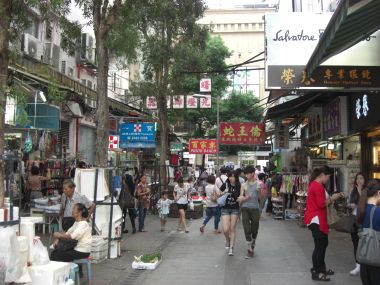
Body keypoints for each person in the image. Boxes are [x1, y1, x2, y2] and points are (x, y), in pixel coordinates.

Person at [304, 166, 343, 281]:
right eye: (328, 177)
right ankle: (317, 272)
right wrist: (333, 198)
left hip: (315, 219)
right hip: (316, 220)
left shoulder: (315, 185)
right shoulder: (317, 186)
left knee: (320, 246)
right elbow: (321, 204)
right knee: (320, 246)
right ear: (322, 175)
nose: (328, 179)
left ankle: (320, 269)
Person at [357, 180, 380, 285]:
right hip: (376, 259)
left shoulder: (360, 209)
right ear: (378, 193)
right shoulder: (377, 211)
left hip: (365, 257)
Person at [238, 166, 261, 258]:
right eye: (245, 174)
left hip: (255, 208)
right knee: (247, 228)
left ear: (252, 173)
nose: (246, 175)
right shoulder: (243, 185)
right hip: (245, 208)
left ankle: (253, 240)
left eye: (247, 173)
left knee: (255, 229)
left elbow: (261, 198)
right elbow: (240, 199)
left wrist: (259, 192)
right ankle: (249, 248)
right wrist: (247, 197)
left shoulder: (258, 184)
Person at [348, 172, 366, 276]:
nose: (359, 181)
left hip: (363, 220)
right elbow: (350, 202)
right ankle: (358, 265)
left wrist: (360, 191)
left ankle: (364, 264)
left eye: (361, 178)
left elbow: (365, 205)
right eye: (357, 179)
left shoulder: (367, 191)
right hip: (354, 219)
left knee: (364, 243)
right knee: (355, 243)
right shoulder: (353, 191)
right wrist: (350, 205)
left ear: (365, 180)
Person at [220, 170, 242, 256]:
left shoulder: (239, 186)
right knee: (225, 229)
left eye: (233, 176)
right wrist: (224, 192)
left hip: (235, 209)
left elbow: (241, 197)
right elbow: (218, 194)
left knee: (232, 229)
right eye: (230, 176)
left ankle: (231, 248)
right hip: (225, 208)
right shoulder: (225, 185)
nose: (231, 178)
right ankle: (228, 240)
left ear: (236, 177)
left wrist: (240, 198)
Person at [121, 167, 137, 234]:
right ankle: (133, 228)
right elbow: (133, 191)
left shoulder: (124, 185)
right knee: (131, 215)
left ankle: (123, 228)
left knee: (123, 215)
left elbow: (121, 193)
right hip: (130, 201)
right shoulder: (131, 185)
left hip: (124, 201)